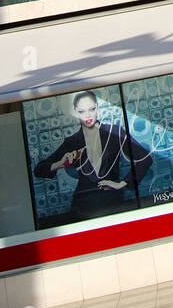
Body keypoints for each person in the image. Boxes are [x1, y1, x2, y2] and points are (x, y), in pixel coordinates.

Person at [33, 90, 153, 220]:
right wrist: (59, 164)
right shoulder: (72, 141)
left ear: (97, 107)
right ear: (75, 112)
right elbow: (39, 170)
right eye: (81, 111)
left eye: (91, 109)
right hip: (82, 206)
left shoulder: (114, 132)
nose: (88, 115)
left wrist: (122, 183)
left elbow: (145, 159)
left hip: (112, 203)